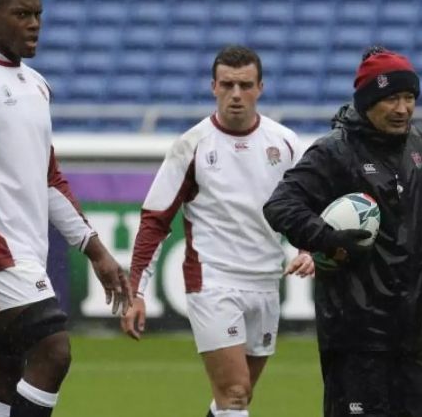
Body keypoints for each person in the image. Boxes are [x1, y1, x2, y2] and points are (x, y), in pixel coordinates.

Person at [0, 0, 130, 417]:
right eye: (21, 14)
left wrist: (96, 251)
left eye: (38, 13)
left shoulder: (36, 85)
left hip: (27, 250)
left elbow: (50, 179)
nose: (34, 23)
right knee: (54, 351)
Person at [263, 46, 422, 417]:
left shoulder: (418, 147)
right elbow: (280, 206)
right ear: (367, 101)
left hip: (411, 335)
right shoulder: (334, 152)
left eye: (409, 97)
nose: (403, 108)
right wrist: (328, 239)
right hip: (355, 339)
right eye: (391, 98)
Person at [121, 45, 313, 417]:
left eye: (245, 85)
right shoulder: (190, 146)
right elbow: (155, 219)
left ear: (261, 87)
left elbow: (305, 208)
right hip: (213, 281)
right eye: (227, 85)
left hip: (266, 282)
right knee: (235, 392)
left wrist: (308, 249)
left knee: (235, 398)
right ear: (213, 87)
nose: (236, 95)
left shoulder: (286, 144)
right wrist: (136, 291)